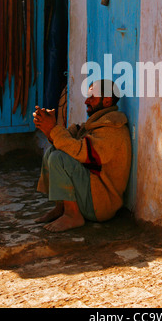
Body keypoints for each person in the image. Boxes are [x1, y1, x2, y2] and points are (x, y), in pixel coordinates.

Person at [33, 79, 132, 232]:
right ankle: (62, 208)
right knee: (52, 151)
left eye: (92, 97)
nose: (87, 101)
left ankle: (73, 215)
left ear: (106, 101)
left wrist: (53, 128)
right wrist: (48, 128)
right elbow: (66, 140)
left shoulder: (113, 129)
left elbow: (84, 154)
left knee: (59, 158)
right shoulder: (92, 125)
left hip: (100, 206)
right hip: (89, 196)